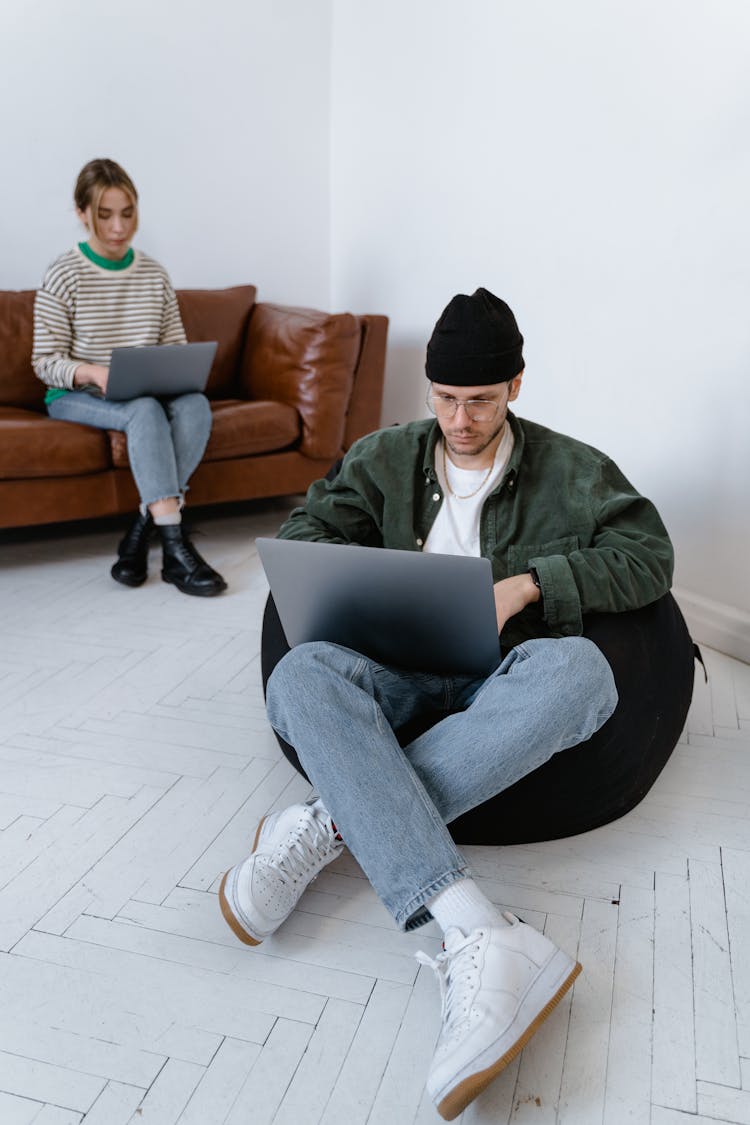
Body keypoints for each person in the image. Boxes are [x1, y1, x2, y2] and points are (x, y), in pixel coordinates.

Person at [218, 288, 674, 1119]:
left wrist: (529, 585)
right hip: (393, 667)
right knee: (299, 678)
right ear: (428, 389)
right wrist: (367, 589)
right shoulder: (384, 455)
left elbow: (648, 558)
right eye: (446, 399)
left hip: (503, 674)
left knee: (583, 674)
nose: (461, 420)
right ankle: (475, 925)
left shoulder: (575, 469)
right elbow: (308, 533)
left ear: (517, 387)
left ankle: (333, 821)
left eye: (482, 401)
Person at [32, 158, 226, 597]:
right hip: (75, 392)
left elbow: (174, 342)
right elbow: (44, 361)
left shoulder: (153, 273)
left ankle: (143, 526)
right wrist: (93, 371)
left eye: (128, 213)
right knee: (143, 412)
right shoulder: (64, 273)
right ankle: (176, 549)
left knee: (195, 405)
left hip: (145, 388)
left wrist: (174, 367)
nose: (119, 226)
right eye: (105, 215)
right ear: (82, 213)